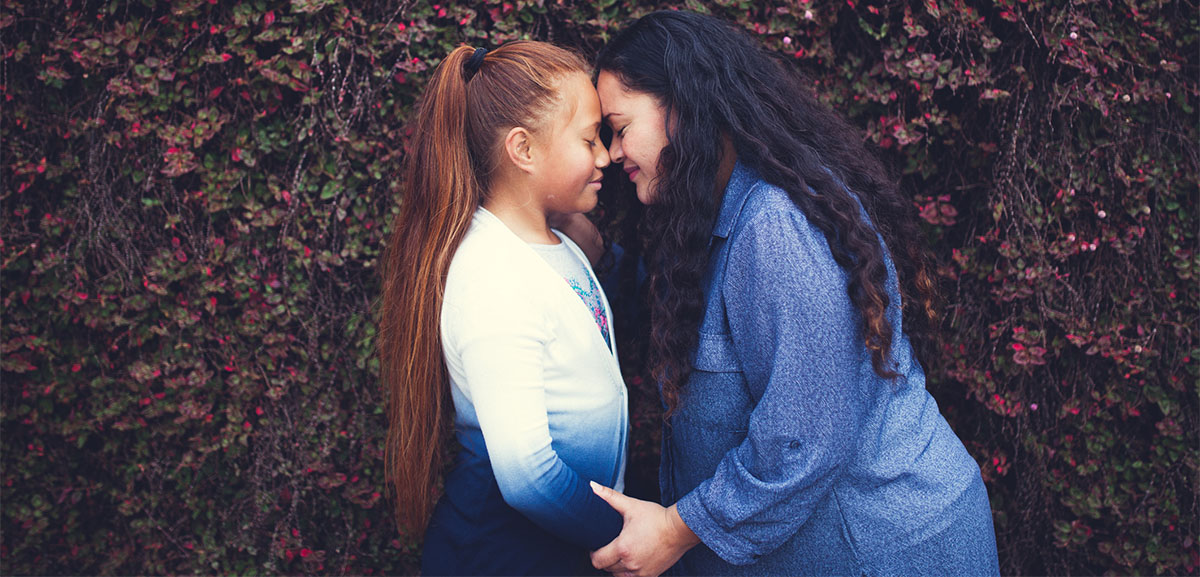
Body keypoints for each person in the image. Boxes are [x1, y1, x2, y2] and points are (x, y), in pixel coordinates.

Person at [574, 11, 1001, 577]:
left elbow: (804, 435)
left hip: (882, 551)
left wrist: (678, 530)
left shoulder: (776, 225)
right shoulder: (711, 217)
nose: (612, 153)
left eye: (620, 128)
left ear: (683, 105)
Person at [377, 41, 626, 576]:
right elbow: (528, 473)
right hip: (502, 554)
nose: (605, 156)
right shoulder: (492, 274)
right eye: (588, 140)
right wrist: (623, 539)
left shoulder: (556, 243)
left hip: (554, 548)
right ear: (523, 149)